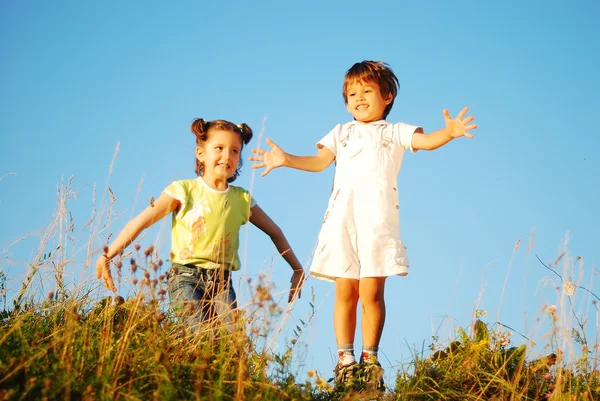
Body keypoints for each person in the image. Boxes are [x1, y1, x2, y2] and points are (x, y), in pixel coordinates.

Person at [250, 60, 477, 389]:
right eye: (351, 93)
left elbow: (426, 141)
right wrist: (286, 159)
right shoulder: (341, 132)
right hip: (343, 222)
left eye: (367, 91)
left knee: (371, 292)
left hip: (377, 225)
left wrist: (450, 133)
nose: (358, 98)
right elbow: (318, 162)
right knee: (346, 290)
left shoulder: (394, 131)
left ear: (386, 96)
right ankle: (346, 360)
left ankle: (370, 358)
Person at [96, 118, 305, 331]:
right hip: (185, 278)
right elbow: (140, 222)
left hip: (222, 284)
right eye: (219, 148)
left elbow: (275, 232)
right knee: (199, 334)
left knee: (230, 346)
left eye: (235, 151)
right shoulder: (183, 190)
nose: (227, 156)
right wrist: (107, 256)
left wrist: (297, 268)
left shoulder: (242, 199)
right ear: (201, 154)